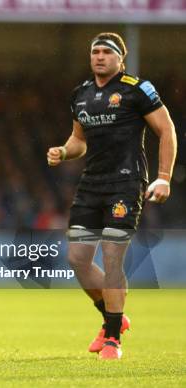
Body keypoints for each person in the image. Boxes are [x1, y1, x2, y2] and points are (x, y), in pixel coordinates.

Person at [47, 32, 177, 360]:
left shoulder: (137, 89)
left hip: (126, 183)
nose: (100, 57)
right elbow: (79, 140)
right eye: (95, 52)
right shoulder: (81, 94)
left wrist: (163, 178)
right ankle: (112, 318)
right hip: (91, 184)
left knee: (112, 256)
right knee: (77, 258)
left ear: (121, 57)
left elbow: (167, 130)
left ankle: (113, 338)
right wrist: (64, 151)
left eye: (107, 52)